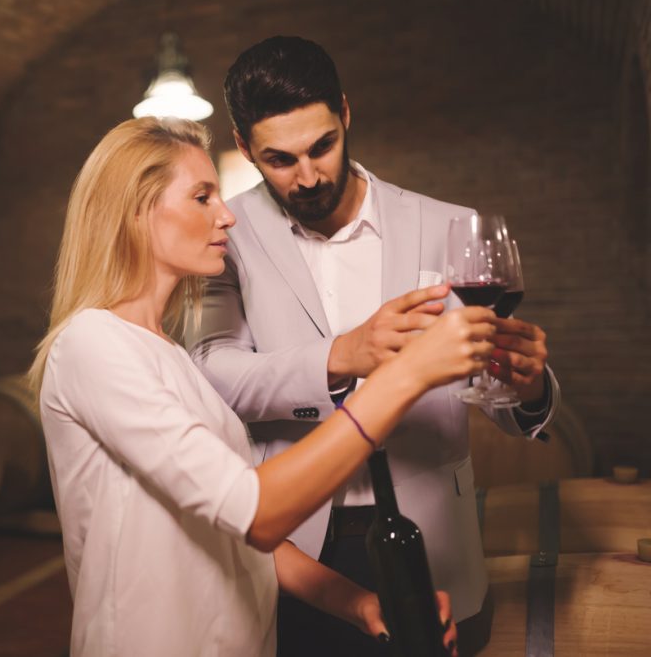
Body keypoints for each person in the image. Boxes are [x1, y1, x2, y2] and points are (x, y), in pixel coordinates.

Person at [30, 116, 491, 656]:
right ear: (136, 212)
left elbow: (243, 534)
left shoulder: (175, 359)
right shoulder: (93, 345)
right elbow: (257, 511)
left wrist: (358, 602)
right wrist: (406, 375)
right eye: (202, 197)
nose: (226, 216)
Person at [187, 36, 562, 656]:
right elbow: (209, 372)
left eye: (322, 146)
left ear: (346, 114)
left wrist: (525, 388)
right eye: (280, 160)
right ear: (244, 145)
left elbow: (489, 387)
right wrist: (342, 354)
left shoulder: (447, 225)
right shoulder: (225, 235)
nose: (307, 177)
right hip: (298, 556)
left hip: (436, 543)